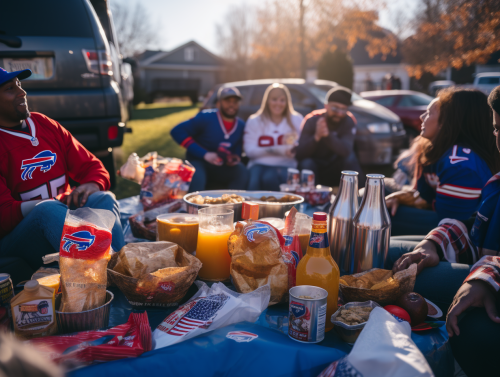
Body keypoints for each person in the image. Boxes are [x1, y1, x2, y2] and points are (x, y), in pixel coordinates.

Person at [385, 86, 500, 328]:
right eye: (497, 129)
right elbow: (473, 230)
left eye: (431, 112)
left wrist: (484, 277)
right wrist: (434, 242)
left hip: (485, 273)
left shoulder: (461, 161)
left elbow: (451, 214)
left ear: (451, 120)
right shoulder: (494, 181)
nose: (422, 118)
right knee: (387, 248)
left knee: (388, 264)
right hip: (475, 257)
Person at [0, 67, 124, 284]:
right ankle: (100, 276)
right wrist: (46, 205)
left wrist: (92, 184)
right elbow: (2, 216)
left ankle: (125, 267)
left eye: (20, 85)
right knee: (47, 210)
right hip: (22, 239)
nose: (22, 92)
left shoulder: (44, 124)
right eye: (10, 89)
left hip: (63, 220)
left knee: (103, 197)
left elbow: (94, 168)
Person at [385, 88, 500, 236]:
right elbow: (425, 196)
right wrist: (405, 197)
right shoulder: (437, 150)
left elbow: (451, 225)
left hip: (459, 235)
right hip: (447, 224)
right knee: (376, 191)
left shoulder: (461, 164)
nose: (421, 117)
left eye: (430, 112)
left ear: (448, 120)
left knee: (377, 211)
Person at [171, 87, 248, 192]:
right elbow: (177, 131)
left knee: (241, 170)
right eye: (227, 101)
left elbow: (237, 147)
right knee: (197, 173)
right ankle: (196, 206)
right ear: (218, 104)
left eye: (235, 101)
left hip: (222, 166)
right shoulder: (206, 117)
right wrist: (205, 154)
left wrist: (233, 158)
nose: (231, 105)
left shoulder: (240, 124)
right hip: (199, 162)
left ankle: (234, 203)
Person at [295, 86, 364, 188]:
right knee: (306, 163)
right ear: (326, 106)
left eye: (343, 109)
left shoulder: (349, 121)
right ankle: (311, 199)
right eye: (335, 108)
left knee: (350, 158)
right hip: (314, 167)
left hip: (336, 167)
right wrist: (316, 137)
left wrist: (328, 135)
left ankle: (358, 195)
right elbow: (299, 154)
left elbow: (346, 151)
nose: (339, 113)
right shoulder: (312, 120)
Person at [244, 83, 303, 191]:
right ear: (267, 100)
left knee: (281, 182)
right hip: (259, 164)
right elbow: (249, 151)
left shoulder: (296, 119)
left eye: (282, 100)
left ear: (287, 101)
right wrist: (275, 149)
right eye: (274, 99)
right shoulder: (254, 120)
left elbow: (300, 147)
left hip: (287, 165)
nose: (278, 103)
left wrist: (293, 149)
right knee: (255, 186)